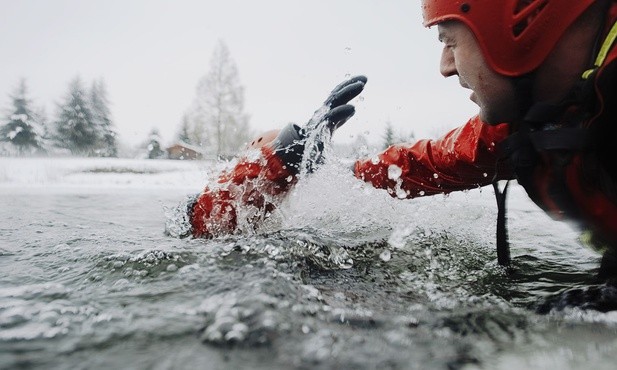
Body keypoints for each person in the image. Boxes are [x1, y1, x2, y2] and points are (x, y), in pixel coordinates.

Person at [169, 0, 617, 279]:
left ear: (518, 24)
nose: (445, 66)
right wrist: (288, 161)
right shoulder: (529, 127)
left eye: (450, 41)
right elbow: (420, 165)